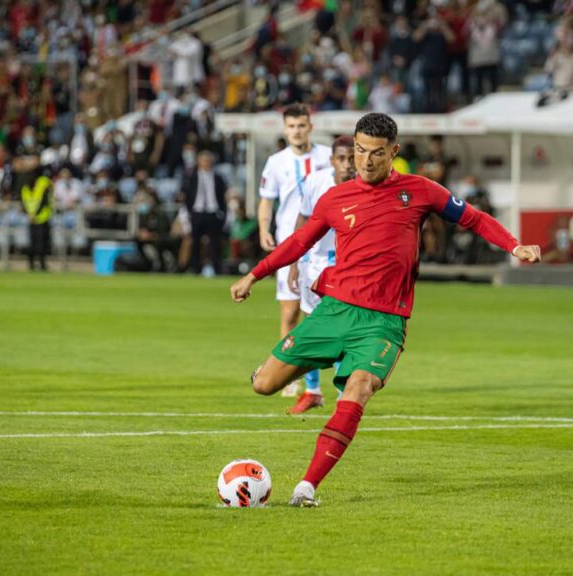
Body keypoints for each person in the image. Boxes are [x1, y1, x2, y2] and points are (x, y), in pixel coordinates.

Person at [229, 113, 541, 506]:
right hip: (333, 312)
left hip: (382, 323)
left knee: (358, 390)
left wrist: (515, 246)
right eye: (360, 150)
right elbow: (298, 243)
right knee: (264, 385)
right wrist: (254, 275)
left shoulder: (420, 191)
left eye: (377, 153)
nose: (366, 161)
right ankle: (309, 360)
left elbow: (473, 218)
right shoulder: (334, 199)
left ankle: (307, 487)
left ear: (393, 151)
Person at [257, 104, 332, 397]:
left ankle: (321, 385)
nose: (297, 131)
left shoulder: (328, 157)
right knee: (290, 315)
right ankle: (290, 376)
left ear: (310, 126)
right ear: (285, 129)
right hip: (290, 245)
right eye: (291, 126)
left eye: (301, 125)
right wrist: (263, 228)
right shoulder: (276, 162)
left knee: (321, 315)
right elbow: (267, 200)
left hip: (323, 247)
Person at [285, 135, 356, 415]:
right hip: (314, 266)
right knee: (312, 327)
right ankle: (312, 391)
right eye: (341, 158)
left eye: (352, 158)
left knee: (344, 332)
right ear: (332, 160)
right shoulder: (316, 182)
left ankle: (343, 396)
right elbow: (303, 221)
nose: (348, 164)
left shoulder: (367, 186)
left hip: (349, 268)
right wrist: (293, 262)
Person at [182, 150, 227, 275]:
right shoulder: (191, 177)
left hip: (213, 213)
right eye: (204, 160)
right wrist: (189, 213)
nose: (206, 163)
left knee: (214, 244)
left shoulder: (218, 178)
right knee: (195, 243)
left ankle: (216, 269)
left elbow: (222, 197)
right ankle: (196, 269)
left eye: (208, 160)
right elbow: (187, 196)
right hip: (197, 213)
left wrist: (222, 214)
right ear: (198, 161)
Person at [19, 157, 52, 271]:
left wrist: (31, 214)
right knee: (36, 242)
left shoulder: (41, 182)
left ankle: (39, 264)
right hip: (38, 217)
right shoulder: (29, 184)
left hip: (39, 216)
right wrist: (31, 213)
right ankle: (34, 264)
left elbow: (44, 199)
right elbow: (26, 200)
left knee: (40, 242)